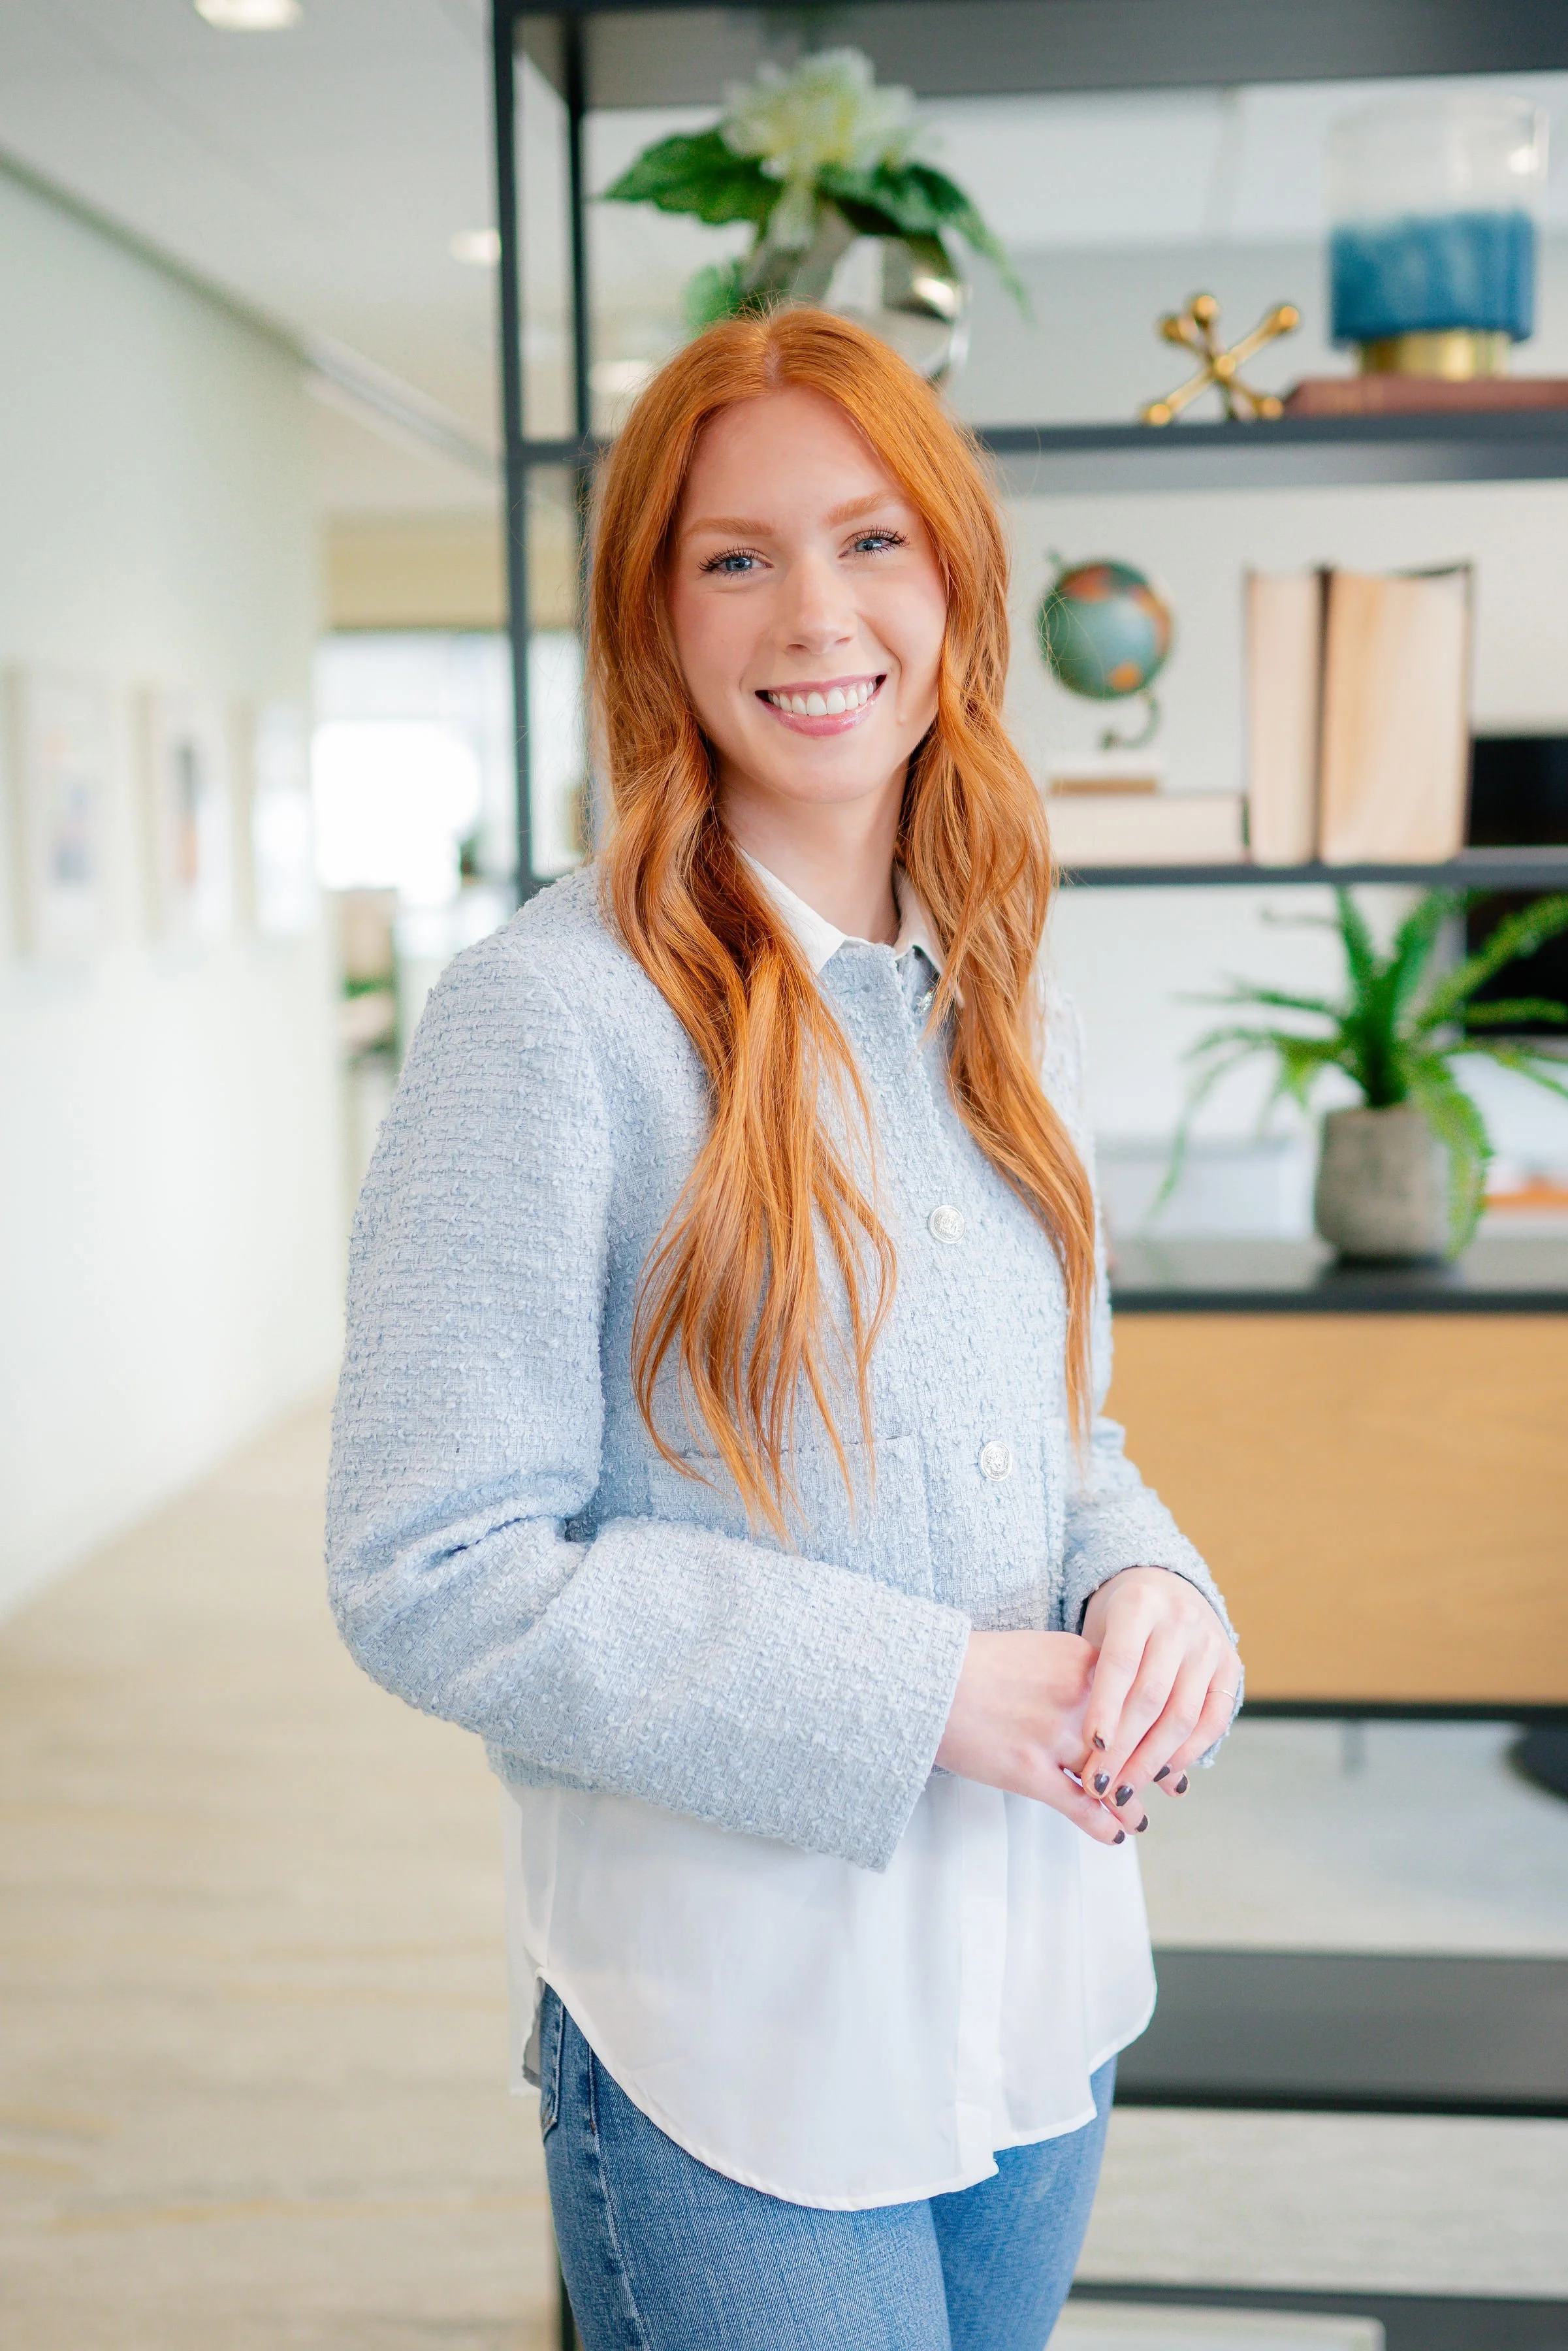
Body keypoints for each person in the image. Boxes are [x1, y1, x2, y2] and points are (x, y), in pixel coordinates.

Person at [327, 307, 1241, 2351]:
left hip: (1037, 1985)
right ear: (655, 613)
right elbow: (428, 1569)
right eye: (735, 555)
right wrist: (933, 1695)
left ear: (957, 583)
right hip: (737, 2043)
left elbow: (1062, 1436)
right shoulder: (552, 1017)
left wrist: (1153, 1580)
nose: (813, 613)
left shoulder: (1005, 987)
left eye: (873, 540)